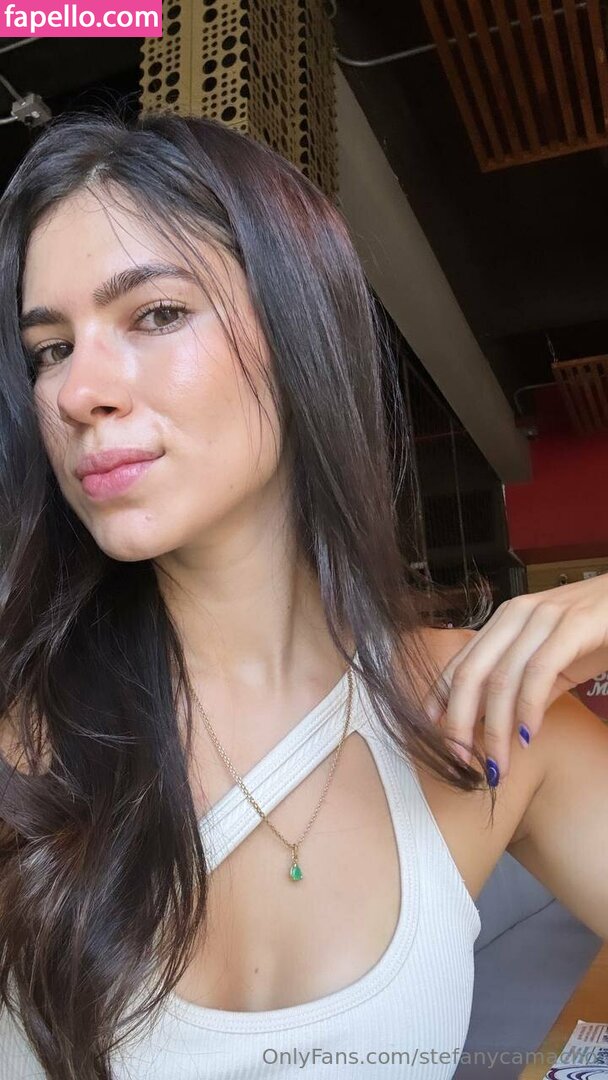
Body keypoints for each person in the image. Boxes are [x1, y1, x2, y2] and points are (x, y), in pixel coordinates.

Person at [0, 109, 606, 1080]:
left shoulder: (476, 711)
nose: (77, 392)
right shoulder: (25, 743)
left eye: (156, 314)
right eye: (50, 349)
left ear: (296, 331)